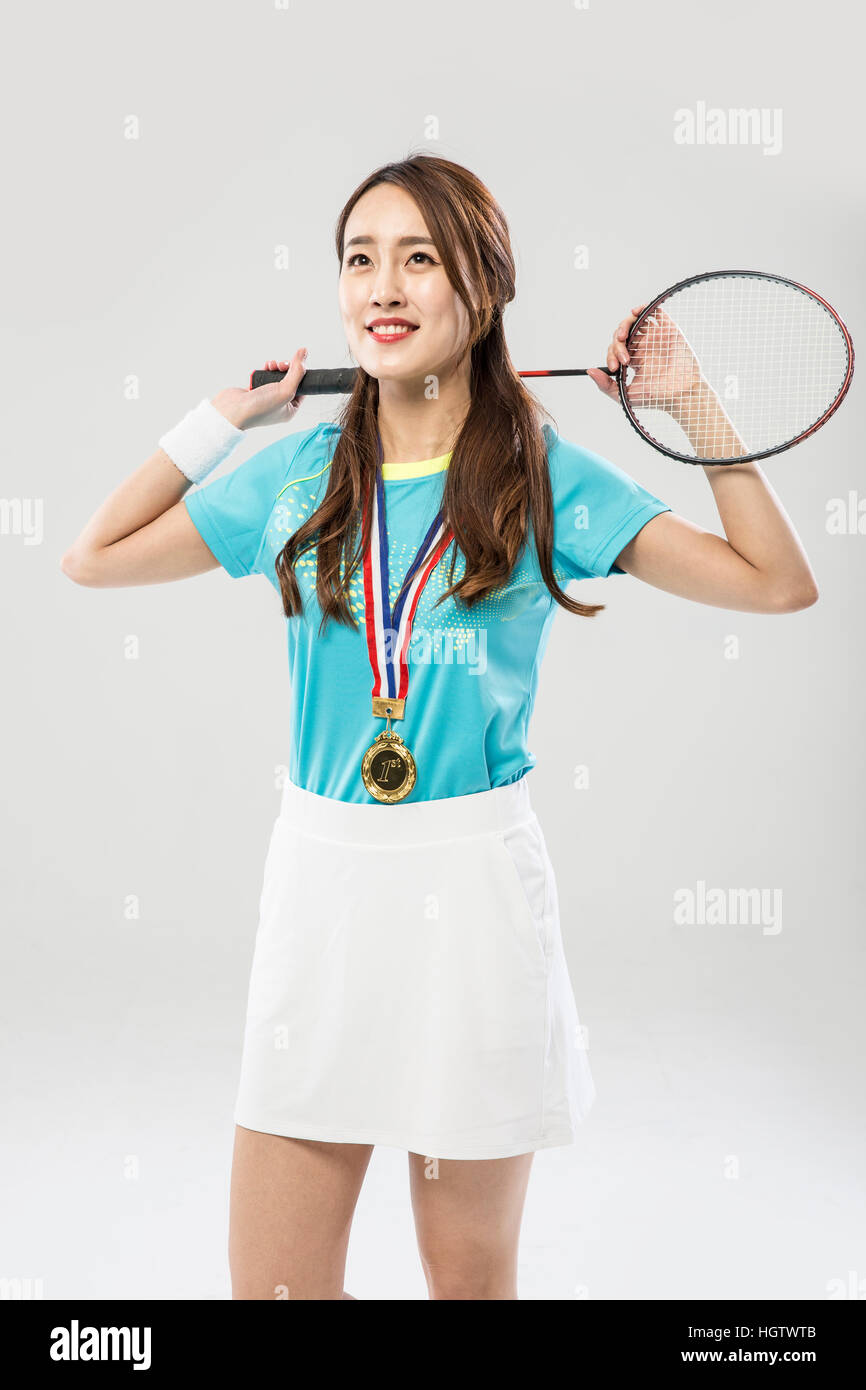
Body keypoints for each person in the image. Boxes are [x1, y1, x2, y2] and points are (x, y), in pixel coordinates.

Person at [61, 153, 818, 1302]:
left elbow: (773, 582)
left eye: (419, 258)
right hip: (320, 883)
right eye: (360, 258)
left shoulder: (538, 473)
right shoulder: (298, 471)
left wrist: (689, 406)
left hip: (470, 895)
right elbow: (91, 558)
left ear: (482, 287)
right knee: (270, 1285)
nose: (383, 285)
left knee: (465, 1281)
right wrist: (223, 416)